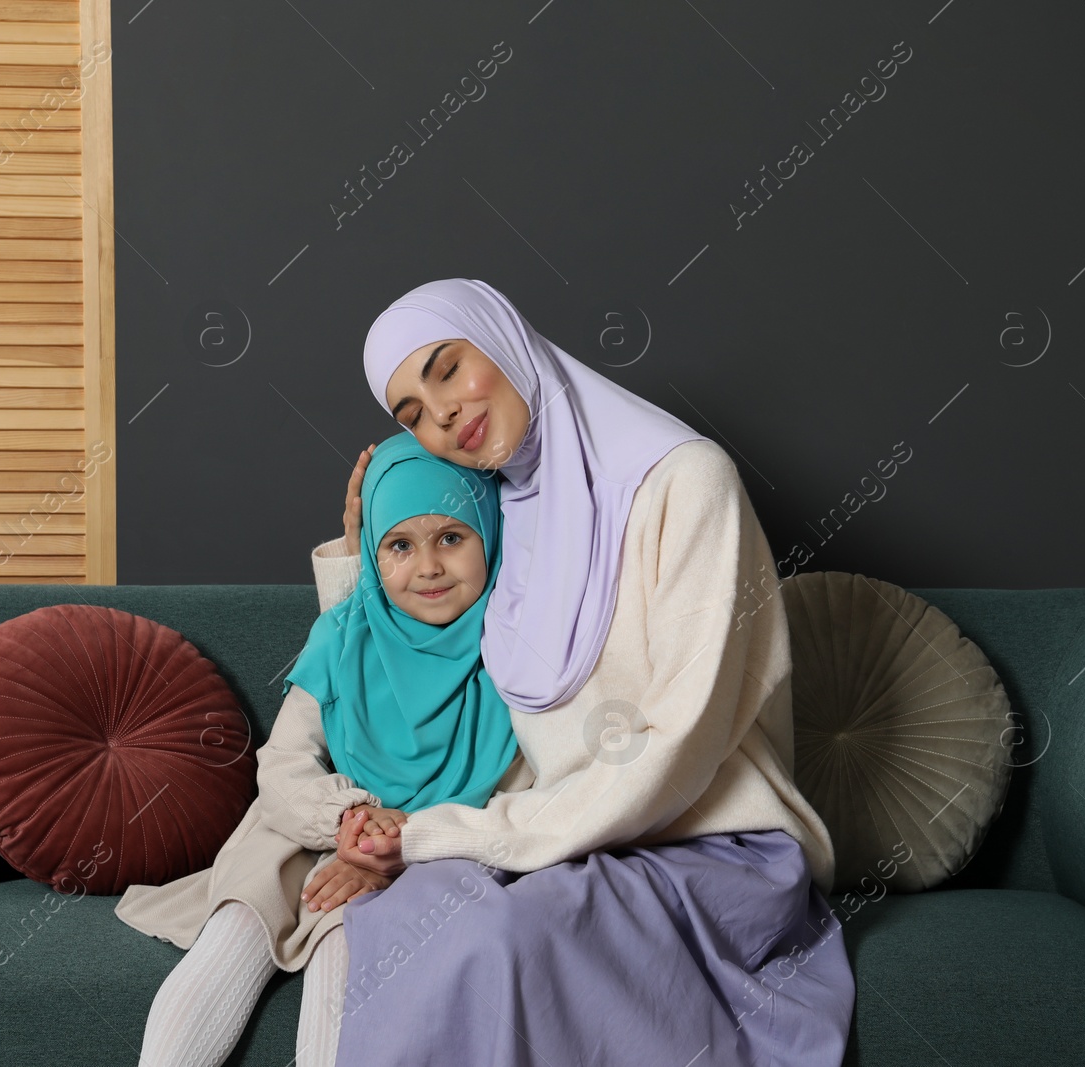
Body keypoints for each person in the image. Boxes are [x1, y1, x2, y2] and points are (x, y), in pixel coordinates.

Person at [308, 278, 857, 1065]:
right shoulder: (499, 512)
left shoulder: (687, 482)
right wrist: (359, 558)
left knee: (501, 936)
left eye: (447, 368)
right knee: (414, 908)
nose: (445, 417)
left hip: (705, 842)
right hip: (561, 838)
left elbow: (676, 749)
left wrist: (448, 833)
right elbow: (417, 658)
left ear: (502, 336)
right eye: (412, 416)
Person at [112, 430, 532, 1067]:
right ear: (372, 551)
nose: (428, 567)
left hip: (430, 851)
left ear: (489, 536)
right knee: (240, 924)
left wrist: (395, 844)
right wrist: (349, 820)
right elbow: (283, 761)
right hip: (310, 827)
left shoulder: (520, 655)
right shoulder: (345, 632)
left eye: (452, 537)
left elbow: (524, 797)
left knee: (348, 937)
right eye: (398, 545)